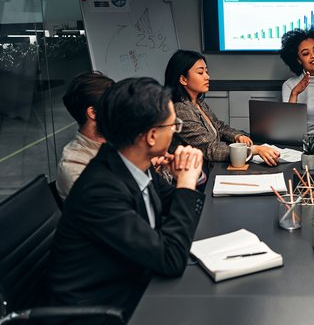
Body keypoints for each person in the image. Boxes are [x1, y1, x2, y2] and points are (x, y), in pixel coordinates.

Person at [47, 77, 207, 322]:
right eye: (174, 125)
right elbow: (171, 259)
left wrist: (183, 178)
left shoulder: (130, 162)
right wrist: (186, 182)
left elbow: (175, 203)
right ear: (151, 136)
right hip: (105, 309)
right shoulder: (100, 190)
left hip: (139, 283)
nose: (177, 130)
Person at [164, 50, 280, 166]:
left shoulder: (198, 103)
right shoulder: (181, 110)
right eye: (200, 73)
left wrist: (237, 136)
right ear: (183, 79)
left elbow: (220, 127)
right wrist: (254, 150)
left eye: (206, 72)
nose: (207, 77)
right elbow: (210, 148)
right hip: (194, 174)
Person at [56, 71, 114, 199]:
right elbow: (113, 210)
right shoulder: (74, 166)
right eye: (114, 105)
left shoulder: (117, 140)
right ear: (93, 112)